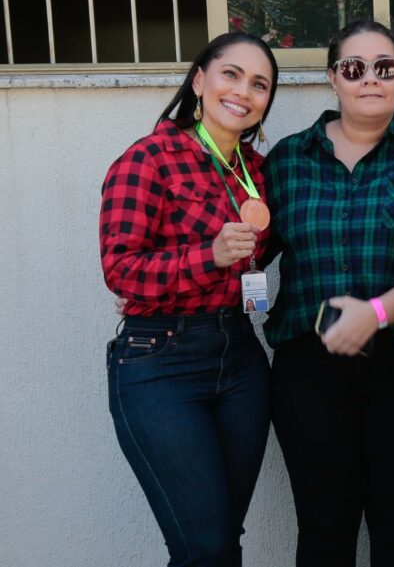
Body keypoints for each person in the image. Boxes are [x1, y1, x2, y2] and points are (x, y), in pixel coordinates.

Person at [261, 19, 394, 566]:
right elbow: (252, 248)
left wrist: (377, 312)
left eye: (386, 67)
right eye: (355, 69)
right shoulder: (287, 160)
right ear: (333, 77)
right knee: (324, 529)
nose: (370, 79)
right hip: (308, 369)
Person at [100, 31, 279, 565]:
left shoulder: (258, 171)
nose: (243, 91)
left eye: (260, 84)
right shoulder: (148, 159)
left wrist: (233, 260)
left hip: (241, 357)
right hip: (160, 360)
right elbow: (120, 269)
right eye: (231, 74)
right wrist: (209, 257)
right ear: (199, 80)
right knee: (203, 547)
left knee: (224, 538)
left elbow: (256, 252)